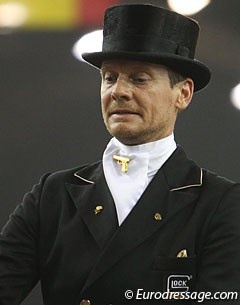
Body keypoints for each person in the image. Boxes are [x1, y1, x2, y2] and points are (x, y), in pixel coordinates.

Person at [0, 4, 240, 305]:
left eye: (139, 79)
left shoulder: (220, 203)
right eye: (110, 77)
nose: (119, 91)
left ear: (183, 93)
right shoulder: (52, 195)